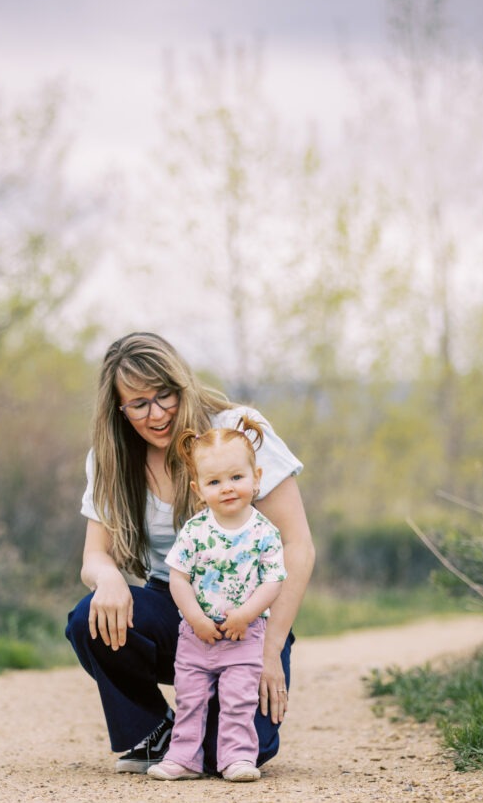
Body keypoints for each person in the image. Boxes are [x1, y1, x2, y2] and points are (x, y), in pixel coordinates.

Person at [65, 331, 315, 776]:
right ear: (119, 409)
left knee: (231, 759)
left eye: (166, 396)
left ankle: (205, 732)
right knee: (89, 618)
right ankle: (155, 731)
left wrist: (271, 649)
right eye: (139, 404)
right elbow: (94, 556)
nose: (157, 414)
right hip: (172, 607)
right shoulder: (110, 459)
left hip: (251, 618)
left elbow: (297, 546)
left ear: (183, 385)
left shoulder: (236, 431)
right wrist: (109, 579)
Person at [148, 417, 286, 782]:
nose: (227, 488)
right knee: (190, 698)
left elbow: (272, 581)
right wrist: (194, 618)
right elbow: (178, 577)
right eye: (214, 481)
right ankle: (183, 758)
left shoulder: (263, 533)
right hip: (197, 634)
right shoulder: (195, 530)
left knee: (238, 699)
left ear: (256, 478)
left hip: (244, 634)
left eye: (236, 478)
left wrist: (245, 615)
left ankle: (237, 758)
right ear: (198, 488)